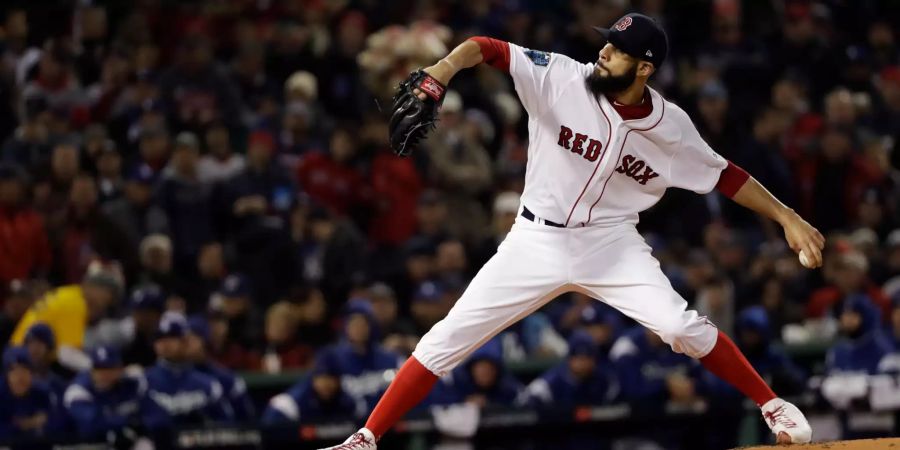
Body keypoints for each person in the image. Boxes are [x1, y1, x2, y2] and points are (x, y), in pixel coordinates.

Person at [324, 13, 821, 448]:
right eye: (606, 42)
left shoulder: (671, 126)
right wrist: (443, 69)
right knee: (444, 340)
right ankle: (366, 439)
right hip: (533, 240)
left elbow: (726, 174)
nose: (602, 52)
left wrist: (788, 218)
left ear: (644, 68)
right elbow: (488, 48)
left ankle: (770, 403)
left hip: (609, 242)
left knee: (678, 327)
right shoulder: (562, 77)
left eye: (617, 49)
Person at [141, 311, 233, 432]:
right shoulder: (142, 382)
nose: (164, 343)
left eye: (172, 336)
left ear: (186, 341)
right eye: (159, 337)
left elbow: (228, 427)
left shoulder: (209, 385)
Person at [63, 346, 144, 440]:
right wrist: (128, 422)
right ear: (92, 370)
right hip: (83, 444)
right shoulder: (78, 391)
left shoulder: (133, 383)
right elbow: (93, 423)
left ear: (120, 369)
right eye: (99, 368)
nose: (104, 373)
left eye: (109, 368)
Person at [262, 352, 366, 424]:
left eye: (331, 378)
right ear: (313, 378)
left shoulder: (349, 403)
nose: (326, 383)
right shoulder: (290, 404)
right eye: (321, 377)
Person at [185, 315, 255, 421]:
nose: (186, 345)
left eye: (191, 339)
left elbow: (246, 418)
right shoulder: (175, 377)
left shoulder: (227, 379)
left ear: (204, 341)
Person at [0, 346, 62, 440]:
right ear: (6, 375)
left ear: (32, 373)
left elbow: (59, 424)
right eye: (14, 371)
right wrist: (27, 424)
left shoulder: (42, 394)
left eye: (25, 370)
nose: (20, 377)